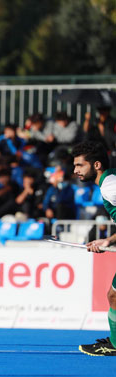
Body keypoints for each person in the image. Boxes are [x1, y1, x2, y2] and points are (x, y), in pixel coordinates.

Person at [72, 141, 116, 356]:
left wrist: (109, 240)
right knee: (114, 296)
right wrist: (108, 240)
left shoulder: (110, 186)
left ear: (96, 164)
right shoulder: (110, 181)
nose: (75, 171)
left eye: (80, 165)